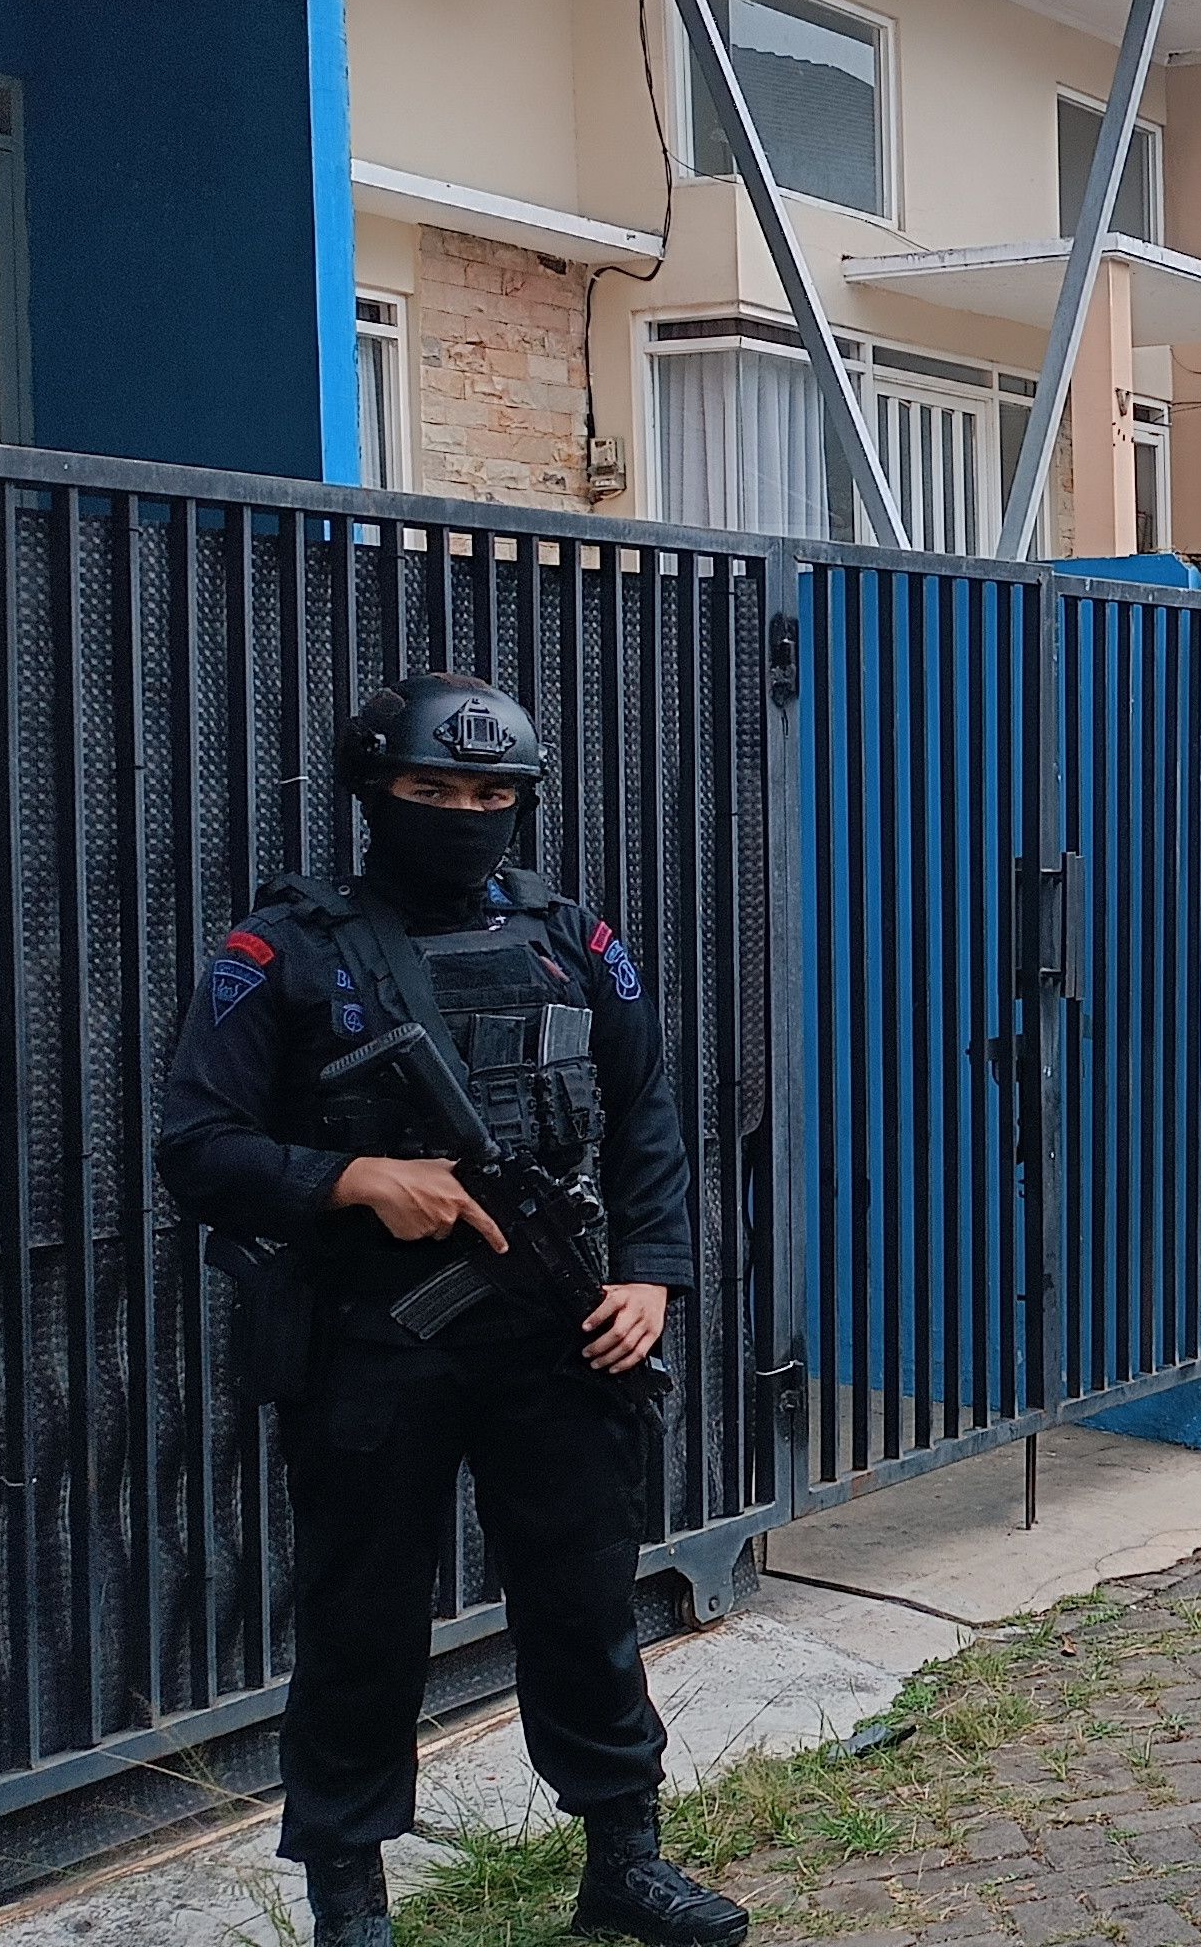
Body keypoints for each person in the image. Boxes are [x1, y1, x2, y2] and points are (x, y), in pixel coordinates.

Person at [156, 674, 746, 1947]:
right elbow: (197, 1146)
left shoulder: (571, 937)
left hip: (559, 1332)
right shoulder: (282, 951)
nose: (466, 813)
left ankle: (623, 1859)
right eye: (434, 790)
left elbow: (645, 1110)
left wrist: (649, 1273)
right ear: (377, 794)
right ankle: (349, 1898)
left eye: (493, 794)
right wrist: (355, 1176)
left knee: (586, 1601)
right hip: (376, 1340)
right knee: (362, 1618)